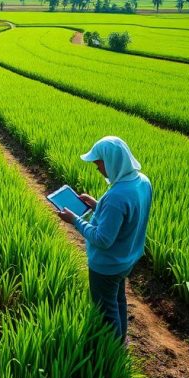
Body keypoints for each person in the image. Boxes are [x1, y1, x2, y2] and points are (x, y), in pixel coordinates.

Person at [55, 136, 152, 345]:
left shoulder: (117, 195)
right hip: (127, 258)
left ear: (113, 161)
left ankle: (112, 352)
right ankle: (122, 339)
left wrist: (75, 220)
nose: (98, 168)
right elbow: (126, 217)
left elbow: (102, 239)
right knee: (118, 299)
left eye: (99, 163)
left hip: (107, 265)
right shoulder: (142, 182)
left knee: (106, 310)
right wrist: (96, 205)